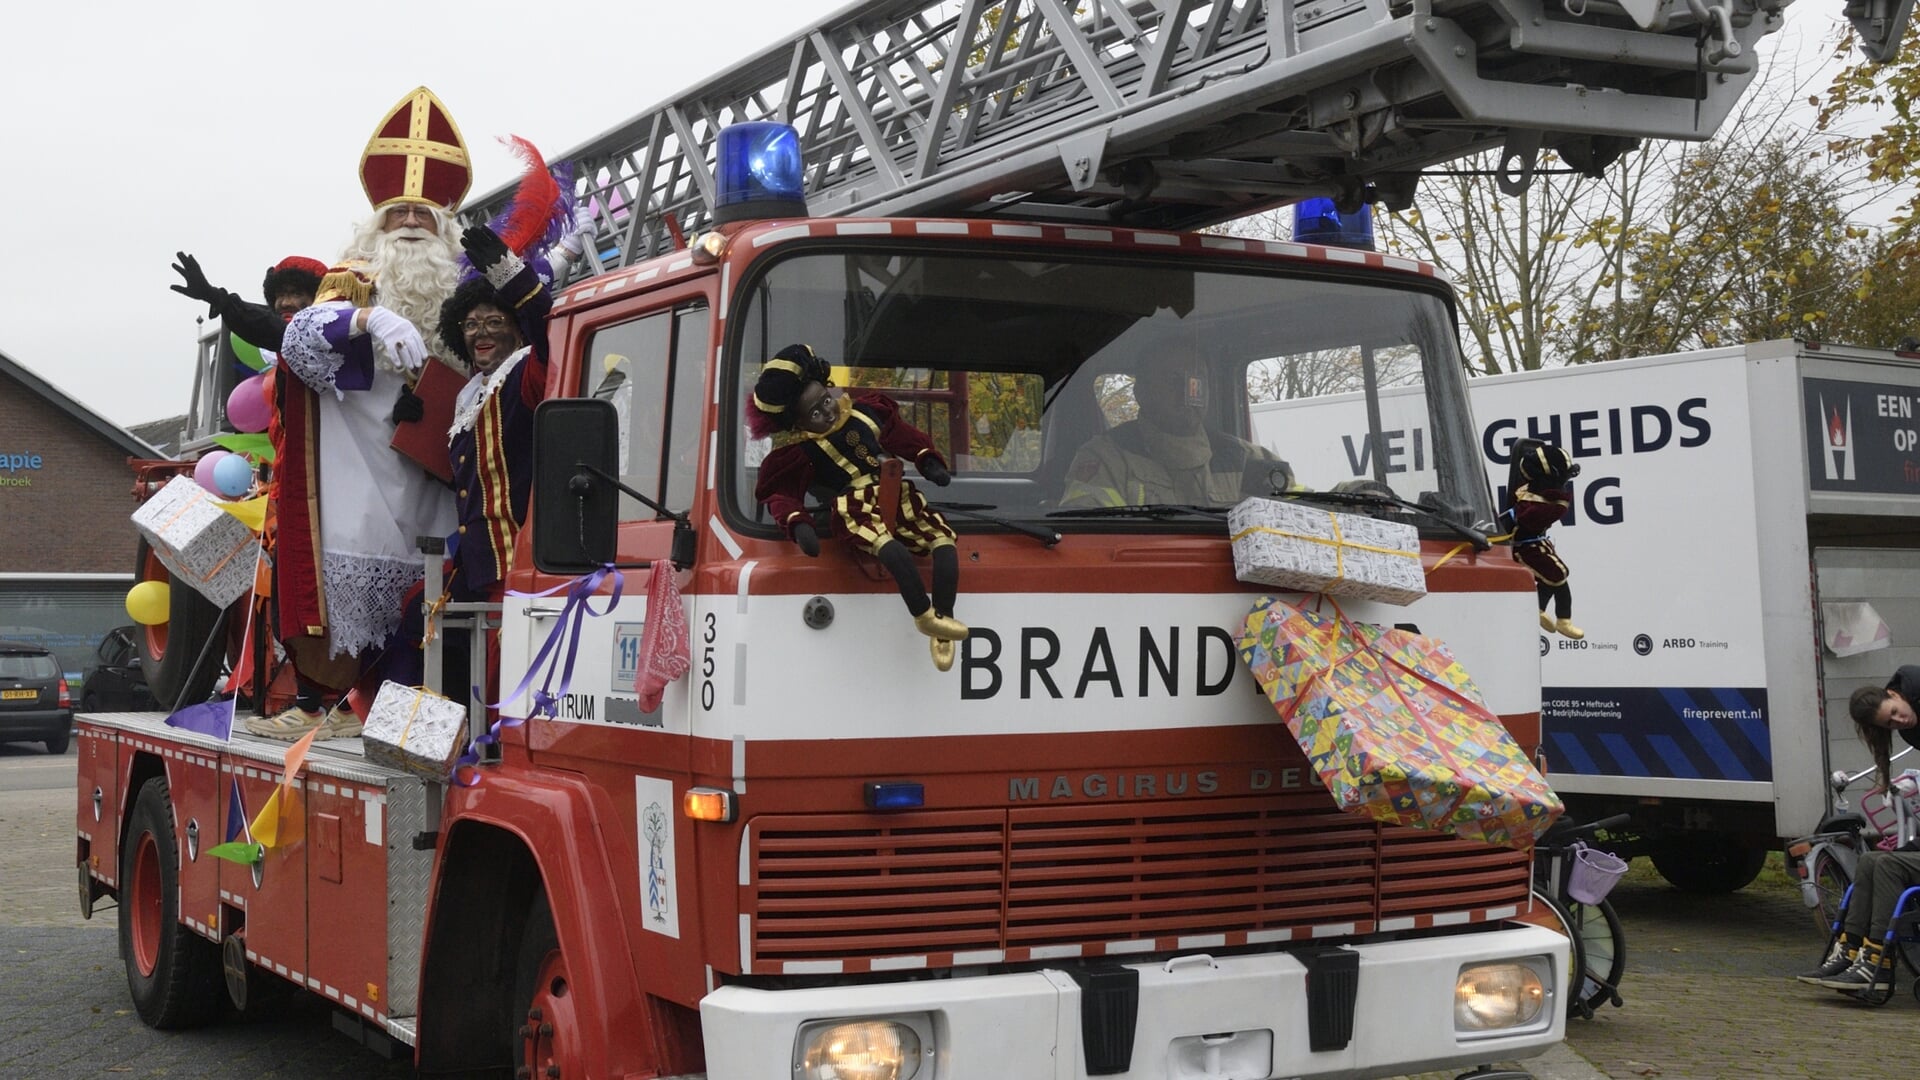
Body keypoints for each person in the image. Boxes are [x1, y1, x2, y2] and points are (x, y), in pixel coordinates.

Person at [244, 87, 468, 740]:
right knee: (366, 620)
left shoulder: (462, 289)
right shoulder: (351, 280)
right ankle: (336, 710)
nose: (408, 222)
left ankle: (409, 724)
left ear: (444, 224)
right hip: (361, 490)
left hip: (437, 487)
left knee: (430, 617)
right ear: (375, 220)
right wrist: (370, 317)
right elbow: (302, 342)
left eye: (422, 214)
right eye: (396, 210)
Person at [748, 344, 968, 671]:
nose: (827, 412)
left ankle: (943, 623)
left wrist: (927, 460)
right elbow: (780, 494)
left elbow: (904, 435)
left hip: (897, 496)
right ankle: (922, 616)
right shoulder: (802, 453)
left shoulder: (866, 413)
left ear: (830, 390)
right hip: (856, 503)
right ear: (799, 423)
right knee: (891, 550)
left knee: (944, 541)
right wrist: (799, 524)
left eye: (826, 401)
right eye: (815, 413)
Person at [1795, 666, 1920, 992]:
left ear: (1895, 696)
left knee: (1889, 865)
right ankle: (1851, 950)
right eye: (1889, 723)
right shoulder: (1912, 728)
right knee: (1870, 860)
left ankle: (1878, 962)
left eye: (1895, 713)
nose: (1899, 721)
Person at [1060, 352, 1295, 508]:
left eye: (1197, 381)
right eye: (1174, 380)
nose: (1188, 393)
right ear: (1141, 393)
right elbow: (1093, 542)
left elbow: (1304, 518)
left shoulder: (1246, 458)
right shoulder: (1106, 458)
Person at [168, 254, 328, 350]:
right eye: (280, 295)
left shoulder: (329, 334)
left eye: (296, 293)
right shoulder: (280, 346)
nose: (285, 302)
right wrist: (211, 295)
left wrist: (215, 296)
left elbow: (275, 328)